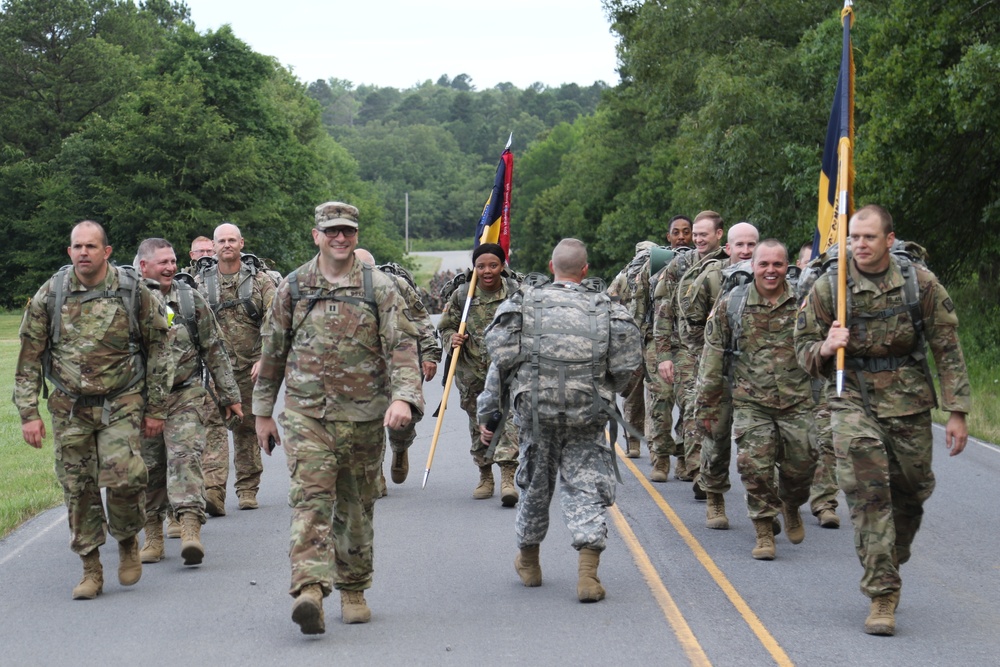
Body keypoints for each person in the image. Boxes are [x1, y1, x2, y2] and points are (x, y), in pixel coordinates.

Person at [795, 204, 971, 636]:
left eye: (869, 237)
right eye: (854, 237)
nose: (859, 245)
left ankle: (891, 556)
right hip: (850, 396)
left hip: (907, 401)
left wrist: (958, 412)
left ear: (889, 240)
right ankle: (882, 594)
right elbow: (801, 348)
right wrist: (824, 346)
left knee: (912, 491)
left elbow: (946, 346)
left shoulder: (918, 282)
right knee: (868, 490)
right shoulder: (828, 286)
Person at [253, 201, 422, 635]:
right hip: (307, 415)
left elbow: (402, 345)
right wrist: (262, 414)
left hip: (364, 418)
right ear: (317, 235)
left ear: (356, 235)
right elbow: (272, 352)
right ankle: (310, 589)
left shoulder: (379, 287)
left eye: (347, 231)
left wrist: (403, 398)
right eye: (331, 231)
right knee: (310, 501)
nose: (340, 238)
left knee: (356, 507)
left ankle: (353, 588)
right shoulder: (293, 287)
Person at [477, 238, 641, 602]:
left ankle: (530, 561)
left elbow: (501, 363)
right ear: (585, 270)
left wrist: (488, 412)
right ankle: (587, 574)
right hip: (587, 413)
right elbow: (628, 365)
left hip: (536, 412)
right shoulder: (607, 308)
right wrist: (601, 389)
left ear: (552, 267)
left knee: (535, 484)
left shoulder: (524, 304)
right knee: (586, 486)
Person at [14, 220, 171, 599]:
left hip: (122, 400)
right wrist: (28, 413)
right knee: (77, 488)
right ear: (69, 252)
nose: (83, 252)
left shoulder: (132, 291)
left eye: (91, 246)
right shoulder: (51, 294)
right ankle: (91, 568)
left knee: (124, 478)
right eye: (77, 246)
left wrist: (158, 407)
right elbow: (29, 355)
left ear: (107, 251)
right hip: (69, 405)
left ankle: (127, 539)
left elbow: (159, 349)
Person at [695, 240, 817, 557]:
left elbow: (821, 348)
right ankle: (764, 531)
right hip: (750, 403)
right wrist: (706, 406)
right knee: (754, 467)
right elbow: (712, 358)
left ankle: (791, 503)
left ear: (787, 266)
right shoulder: (731, 304)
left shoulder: (805, 302)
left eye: (777, 264)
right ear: (753, 267)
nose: (770, 271)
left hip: (797, 403)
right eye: (764, 264)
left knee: (801, 469)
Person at [135, 238, 242, 566]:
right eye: (162, 262)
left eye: (172, 261)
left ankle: (190, 527)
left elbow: (213, 347)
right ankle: (152, 533)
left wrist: (229, 396)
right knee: (150, 468)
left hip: (185, 392)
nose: (169, 267)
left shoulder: (187, 298)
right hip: (142, 401)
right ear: (143, 267)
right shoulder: (128, 302)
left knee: (185, 457)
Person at [196, 222, 276, 513]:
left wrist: (264, 358)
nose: (227, 245)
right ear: (214, 246)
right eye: (221, 241)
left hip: (250, 367)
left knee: (245, 428)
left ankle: (247, 488)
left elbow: (275, 319)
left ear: (241, 243)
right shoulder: (200, 282)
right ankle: (214, 491)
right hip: (213, 370)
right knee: (213, 429)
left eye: (232, 240)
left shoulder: (261, 281)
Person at [682, 221, 759, 517]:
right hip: (718, 370)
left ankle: (765, 506)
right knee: (716, 440)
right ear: (727, 247)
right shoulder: (713, 277)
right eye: (740, 245)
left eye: (751, 244)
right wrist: (706, 357)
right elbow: (691, 321)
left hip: (756, 375)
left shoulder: (768, 277)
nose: (746, 250)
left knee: (759, 443)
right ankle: (715, 497)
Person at [437, 243, 521, 506]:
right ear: (475, 267)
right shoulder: (463, 295)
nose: (487, 271)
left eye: (493, 265)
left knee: (509, 421)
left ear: (502, 266)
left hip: (507, 370)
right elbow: (445, 327)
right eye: (481, 266)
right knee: (479, 424)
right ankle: (485, 475)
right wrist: (453, 338)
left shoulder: (516, 293)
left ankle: (508, 476)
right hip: (472, 371)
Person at [354, 249, 441, 489]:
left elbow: (421, 319)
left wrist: (431, 354)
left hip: (400, 361)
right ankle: (375, 476)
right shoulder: (341, 289)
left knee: (402, 419)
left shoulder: (397, 285)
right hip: (364, 366)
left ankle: (400, 447)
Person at [797, 241, 840, 528]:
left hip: (822, 376)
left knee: (826, 439)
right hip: (791, 381)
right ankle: (784, 496)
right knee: (792, 443)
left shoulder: (835, 293)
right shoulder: (783, 292)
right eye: (806, 263)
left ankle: (824, 502)